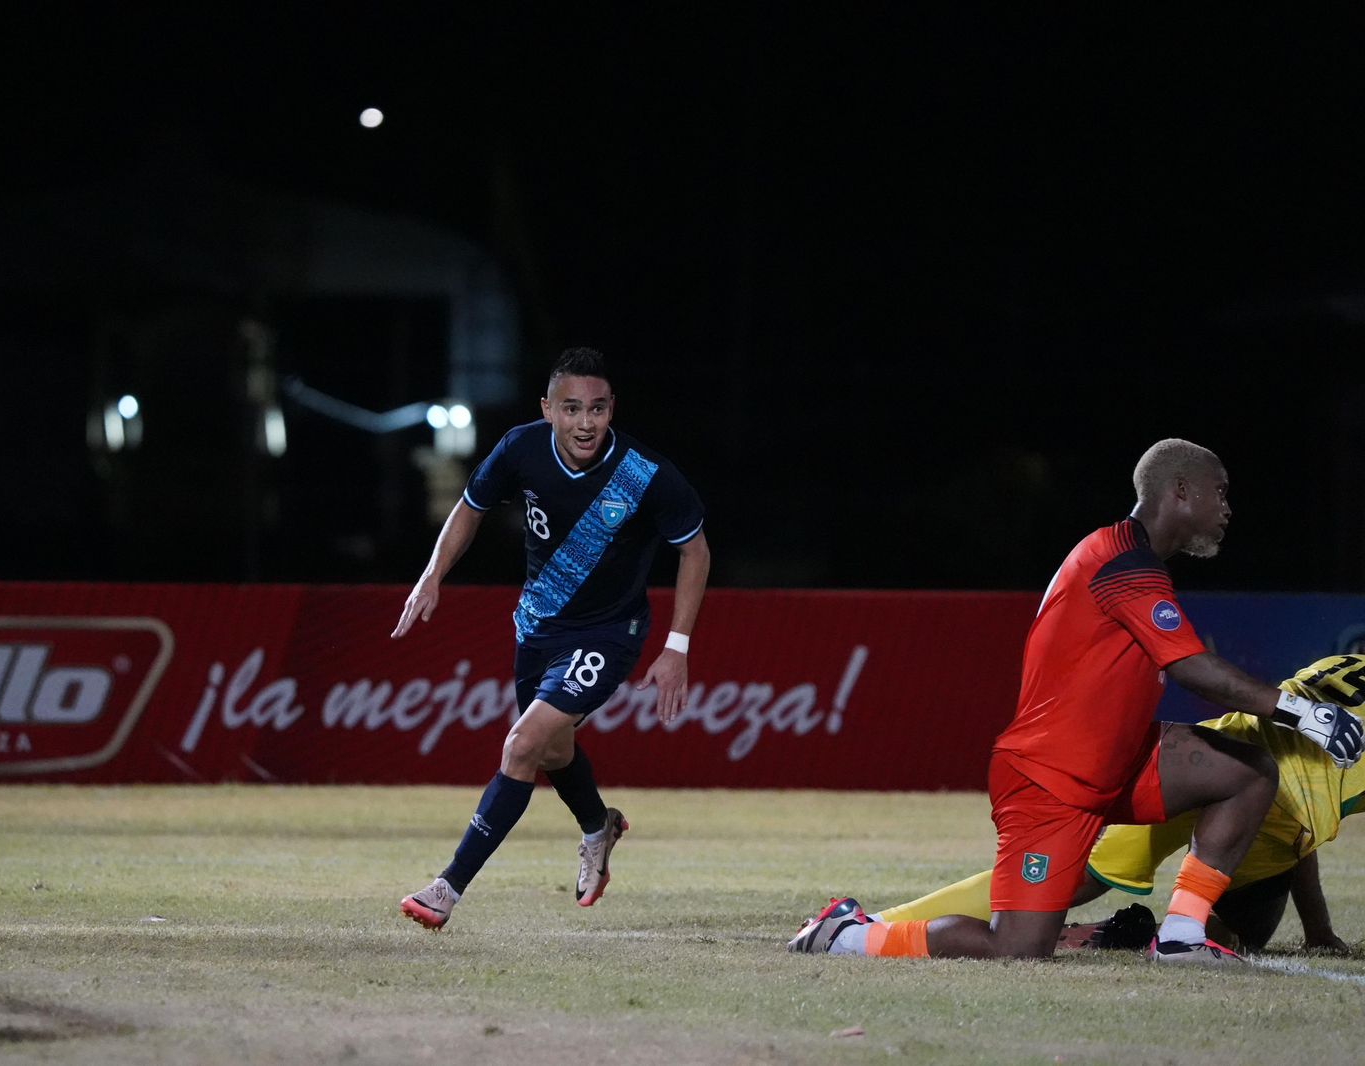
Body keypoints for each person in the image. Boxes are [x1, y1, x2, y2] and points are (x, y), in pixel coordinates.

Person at [788, 439, 1363, 964]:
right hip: (1051, 779)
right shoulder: (1121, 563)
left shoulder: (1134, 563)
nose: (1227, 508)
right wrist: (1305, 712)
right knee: (1016, 949)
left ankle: (1183, 935)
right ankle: (850, 935)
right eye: (1220, 492)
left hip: (1124, 760)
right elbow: (1195, 670)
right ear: (1180, 491)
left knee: (1247, 769)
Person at [392, 347, 710, 931]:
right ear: (548, 410)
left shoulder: (646, 473)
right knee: (554, 751)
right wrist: (431, 575)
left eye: (596, 408)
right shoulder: (521, 448)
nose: (585, 422)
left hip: (610, 634)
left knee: (521, 745)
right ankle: (600, 826)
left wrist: (676, 647)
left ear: (612, 408)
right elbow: (470, 507)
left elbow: (695, 548)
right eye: (571, 409)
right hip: (537, 628)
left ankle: (447, 889)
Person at [833, 652, 1365, 955]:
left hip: (1231, 773)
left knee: (1241, 939)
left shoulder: (1344, 661)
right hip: (1239, 787)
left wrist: (1318, 931)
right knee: (1069, 877)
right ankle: (865, 929)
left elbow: (1308, 783)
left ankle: (1118, 937)